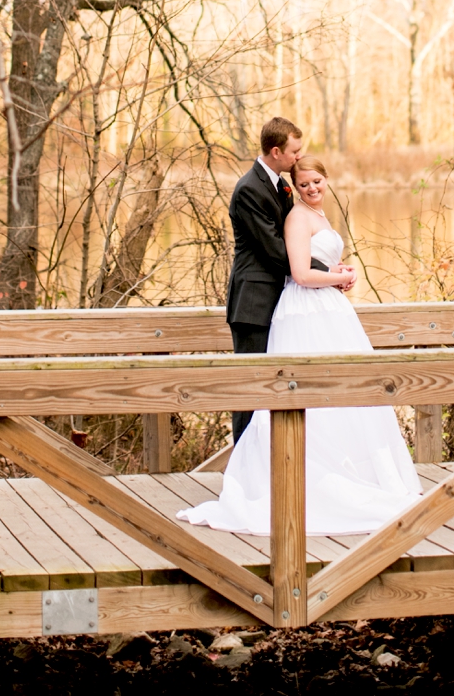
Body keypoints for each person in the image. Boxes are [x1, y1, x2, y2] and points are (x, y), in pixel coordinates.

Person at [179, 154, 422, 535]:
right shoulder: (295, 217)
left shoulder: (321, 215)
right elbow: (300, 273)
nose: (312, 189)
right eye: (304, 183)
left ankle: (354, 474)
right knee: (306, 394)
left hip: (329, 310)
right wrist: (335, 278)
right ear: (295, 185)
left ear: (326, 180)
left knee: (348, 394)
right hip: (304, 312)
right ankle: (302, 483)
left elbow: (319, 264)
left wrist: (343, 273)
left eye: (317, 182)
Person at [224, 118, 351, 444]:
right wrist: (330, 274)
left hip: (281, 301)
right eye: (294, 151)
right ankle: (245, 469)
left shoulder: (279, 184)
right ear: (277, 150)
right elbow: (277, 251)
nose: (299, 157)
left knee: (277, 386)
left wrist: (330, 272)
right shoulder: (250, 189)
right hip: (253, 304)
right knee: (252, 388)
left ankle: (275, 461)